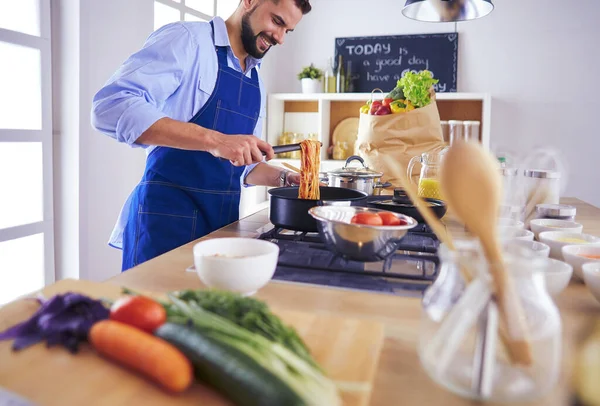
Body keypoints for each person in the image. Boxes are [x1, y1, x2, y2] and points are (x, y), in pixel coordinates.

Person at [91, 0, 311, 271]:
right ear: (250, 2)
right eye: (277, 21)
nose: (279, 38)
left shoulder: (256, 80)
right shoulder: (188, 41)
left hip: (220, 230)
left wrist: (283, 178)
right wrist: (215, 140)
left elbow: (242, 165)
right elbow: (110, 106)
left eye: (287, 30)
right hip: (164, 222)